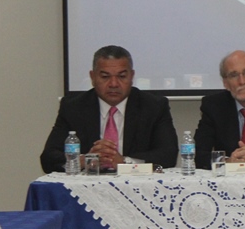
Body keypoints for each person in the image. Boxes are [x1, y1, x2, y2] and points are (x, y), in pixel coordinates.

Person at [40, 45, 179, 172]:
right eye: (105, 77)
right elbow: (48, 158)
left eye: (122, 76)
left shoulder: (153, 106)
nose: (113, 84)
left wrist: (124, 162)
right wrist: (84, 160)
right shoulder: (73, 107)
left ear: (132, 76)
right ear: (93, 77)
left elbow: (169, 155)